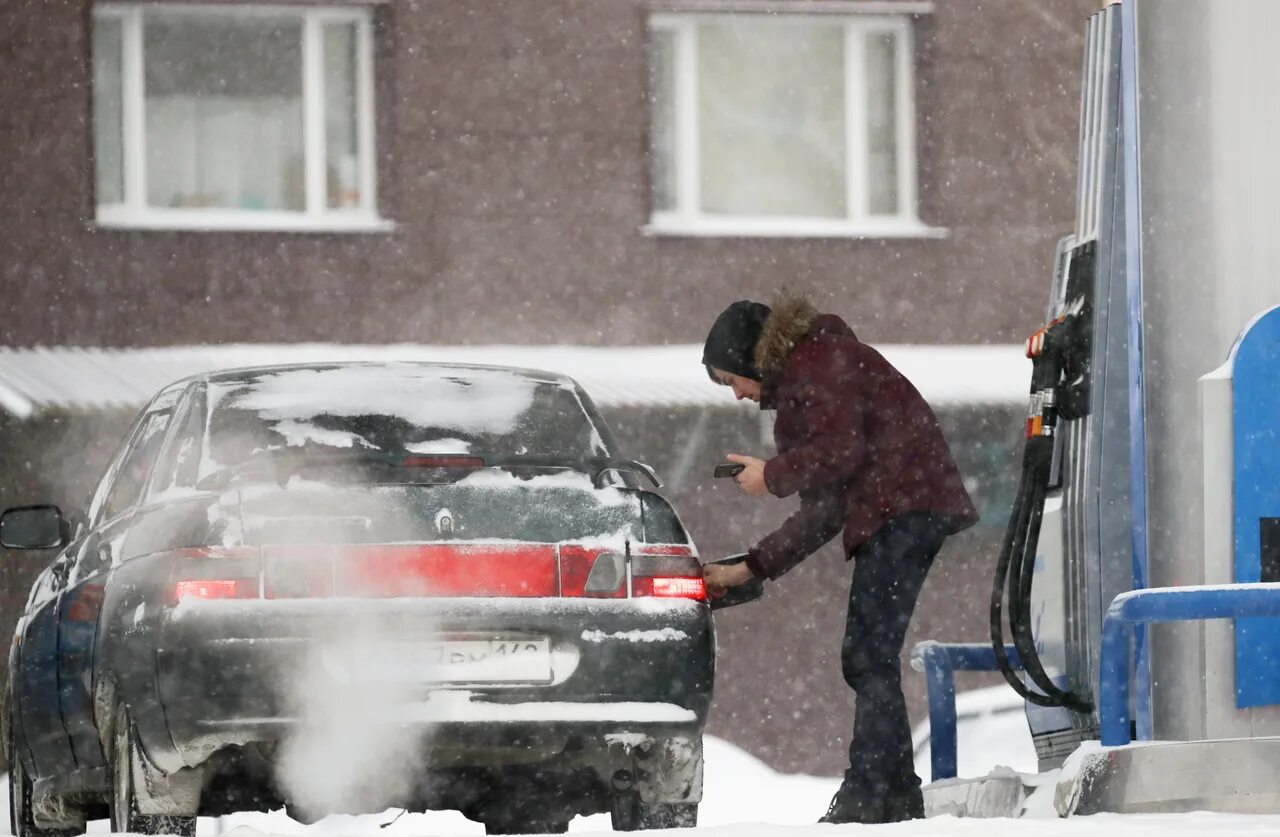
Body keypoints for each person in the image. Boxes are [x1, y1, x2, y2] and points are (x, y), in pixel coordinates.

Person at [700, 292, 978, 824]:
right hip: (901, 509)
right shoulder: (805, 382)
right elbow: (824, 510)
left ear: (748, 357)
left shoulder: (820, 362)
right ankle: (891, 795)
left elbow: (840, 452)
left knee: (868, 654)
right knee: (868, 654)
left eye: (730, 379)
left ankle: (870, 794)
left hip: (907, 507)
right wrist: (750, 566)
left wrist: (772, 475)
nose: (735, 395)